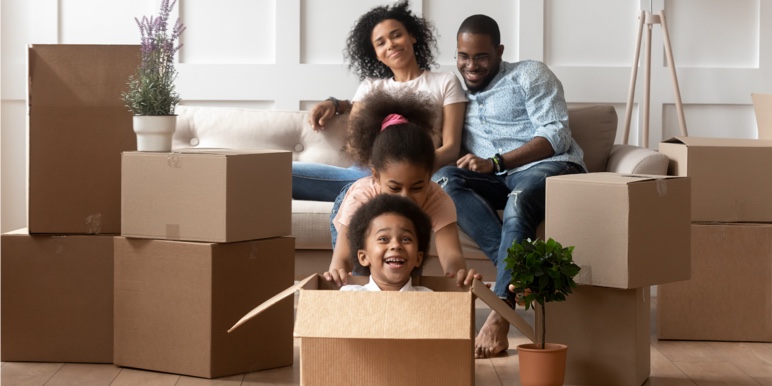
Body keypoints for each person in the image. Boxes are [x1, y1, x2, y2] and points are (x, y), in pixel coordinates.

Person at [433, 15, 587, 358]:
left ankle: (501, 310)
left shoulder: (529, 73)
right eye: (463, 56)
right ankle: (519, 271)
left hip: (548, 167)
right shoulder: (454, 92)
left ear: (499, 51)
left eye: (481, 57)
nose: (470, 66)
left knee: (519, 201)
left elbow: (556, 135)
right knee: (441, 179)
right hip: (494, 178)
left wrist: (497, 162)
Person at [293, 0, 467, 201]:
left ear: (412, 36)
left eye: (396, 35)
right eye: (381, 42)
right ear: (375, 54)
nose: (391, 44)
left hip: (422, 174)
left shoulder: (445, 81)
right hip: (367, 175)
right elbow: (356, 143)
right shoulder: (370, 87)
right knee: (279, 171)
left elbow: (451, 147)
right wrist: (385, 174)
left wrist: (412, 171)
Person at [326, 89, 478, 288]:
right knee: (361, 281)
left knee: (405, 277)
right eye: (395, 187)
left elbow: (451, 255)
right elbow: (343, 257)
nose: (405, 198)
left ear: (429, 176)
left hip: (408, 228)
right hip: (354, 219)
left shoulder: (437, 200)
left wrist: (459, 276)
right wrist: (337, 274)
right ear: (377, 177)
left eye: (417, 187)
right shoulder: (362, 197)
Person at [339, 194, 433, 292]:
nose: (396, 245)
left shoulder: (430, 297)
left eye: (406, 239)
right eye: (383, 239)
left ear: (418, 258)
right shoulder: (350, 295)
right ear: (364, 257)